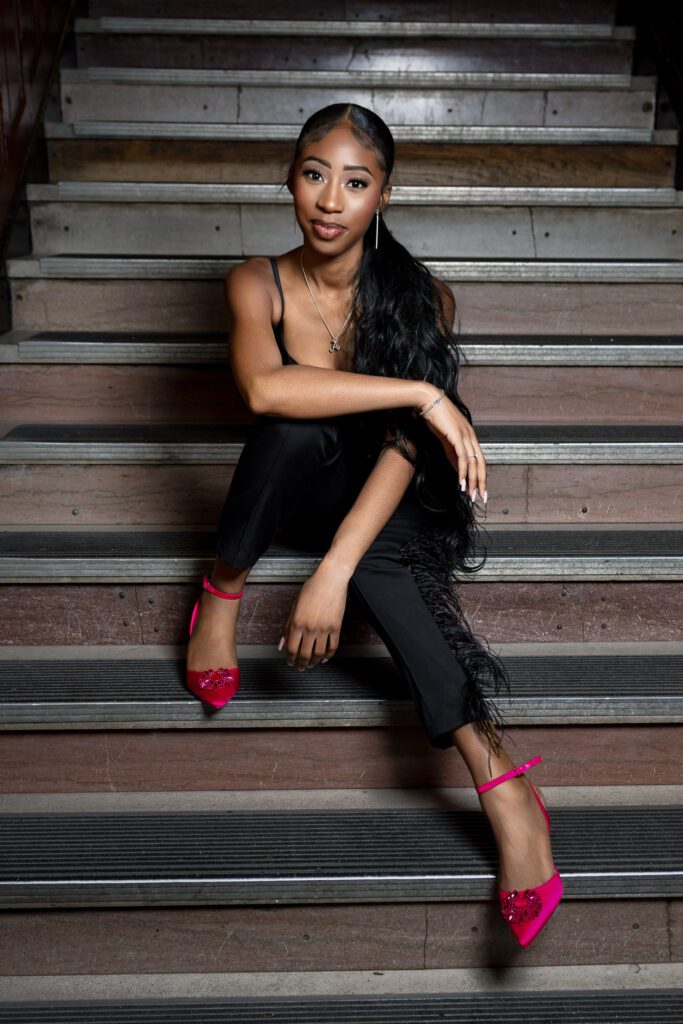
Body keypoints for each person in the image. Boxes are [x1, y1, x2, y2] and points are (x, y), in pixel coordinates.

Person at [185, 103, 562, 946]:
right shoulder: (256, 282)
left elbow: (400, 452)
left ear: (382, 194)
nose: (329, 200)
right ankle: (223, 589)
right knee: (292, 425)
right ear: (289, 177)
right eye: (314, 174)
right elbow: (265, 391)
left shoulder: (421, 295)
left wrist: (332, 570)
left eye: (354, 183)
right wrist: (421, 390)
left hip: (392, 495)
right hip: (303, 478)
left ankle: (502, 786)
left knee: (385, 566)